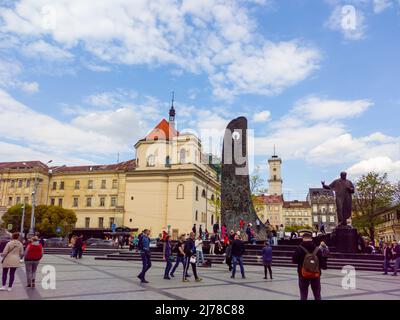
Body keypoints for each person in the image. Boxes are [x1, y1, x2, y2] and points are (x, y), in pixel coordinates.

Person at [292, 232, 327, 300]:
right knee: (317, 295)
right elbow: (322, 263)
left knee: (303, 296)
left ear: (303, 239)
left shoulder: (299, 249)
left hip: (303, 274)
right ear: (311, 239)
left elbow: (294, 261)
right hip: (315, 274)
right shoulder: (317, 249)